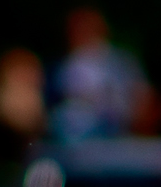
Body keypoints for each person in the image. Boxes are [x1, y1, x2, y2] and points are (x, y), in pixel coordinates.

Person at [49, 9, 145, 141]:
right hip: (80, 140)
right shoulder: (68, 66)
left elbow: (141, 98)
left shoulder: (122, 61)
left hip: (122, 134)